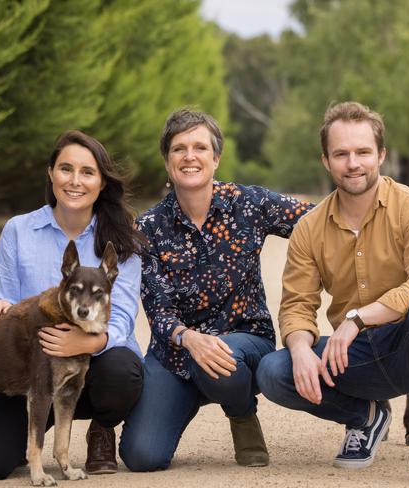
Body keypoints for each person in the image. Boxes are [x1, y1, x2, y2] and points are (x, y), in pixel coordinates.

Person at [256, 101, 409, 486]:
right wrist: (300, 349)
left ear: (380, 154)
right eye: (342, 154)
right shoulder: (309, 228)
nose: (354, 163)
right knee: (273, 371)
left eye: (363, 152)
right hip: (355, 360)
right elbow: (297, 305)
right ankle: (366, 417)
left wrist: (356, 318)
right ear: (326, 160)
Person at [118, 109, 313, 471]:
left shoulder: (249, 204)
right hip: (176, 353)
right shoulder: (147, 228)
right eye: (179, 149)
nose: (189, 156)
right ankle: (190, 389)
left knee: (217, 360)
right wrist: (188, 339)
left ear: (216, 157)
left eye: (199, 147)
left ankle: (241, 414)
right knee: (141, 456)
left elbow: (321, 219)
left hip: (244, 343)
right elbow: (158, 311)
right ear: (167, 161)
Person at [0, 130, 144, 480]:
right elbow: (7, 301)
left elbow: (120, 316)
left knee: (124, 371)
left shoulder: (121, 240)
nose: (75, 181)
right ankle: (32, 432)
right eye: (66, 169)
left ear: (102, 182)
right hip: (35, 367)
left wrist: (87, 342)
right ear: (51, 174)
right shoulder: (19, 230)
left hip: (100, 364)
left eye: (87, 172)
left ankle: (101, 429)